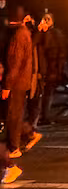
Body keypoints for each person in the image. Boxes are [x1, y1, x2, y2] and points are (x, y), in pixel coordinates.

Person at [3, 10, 38, 158]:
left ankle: (14, 147)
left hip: (16, 82)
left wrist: (7, 85)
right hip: (21, 81)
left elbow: (15, 63)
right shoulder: (24, 33)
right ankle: (28, 133)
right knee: (14, 113)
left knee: (13, 115)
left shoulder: (18, 36)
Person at [32, 14, 66, 126]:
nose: (46, 21)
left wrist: (59, 69)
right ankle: (38, 116)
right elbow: (33, 45)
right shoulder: (38, 34)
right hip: (40, 68)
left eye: (48, 19)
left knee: (48, 93)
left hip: (52, 68)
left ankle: (45, 116)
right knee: (38, 94)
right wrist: (40, 31)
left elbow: (61, 52)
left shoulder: (56, 34)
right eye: (44, 19)